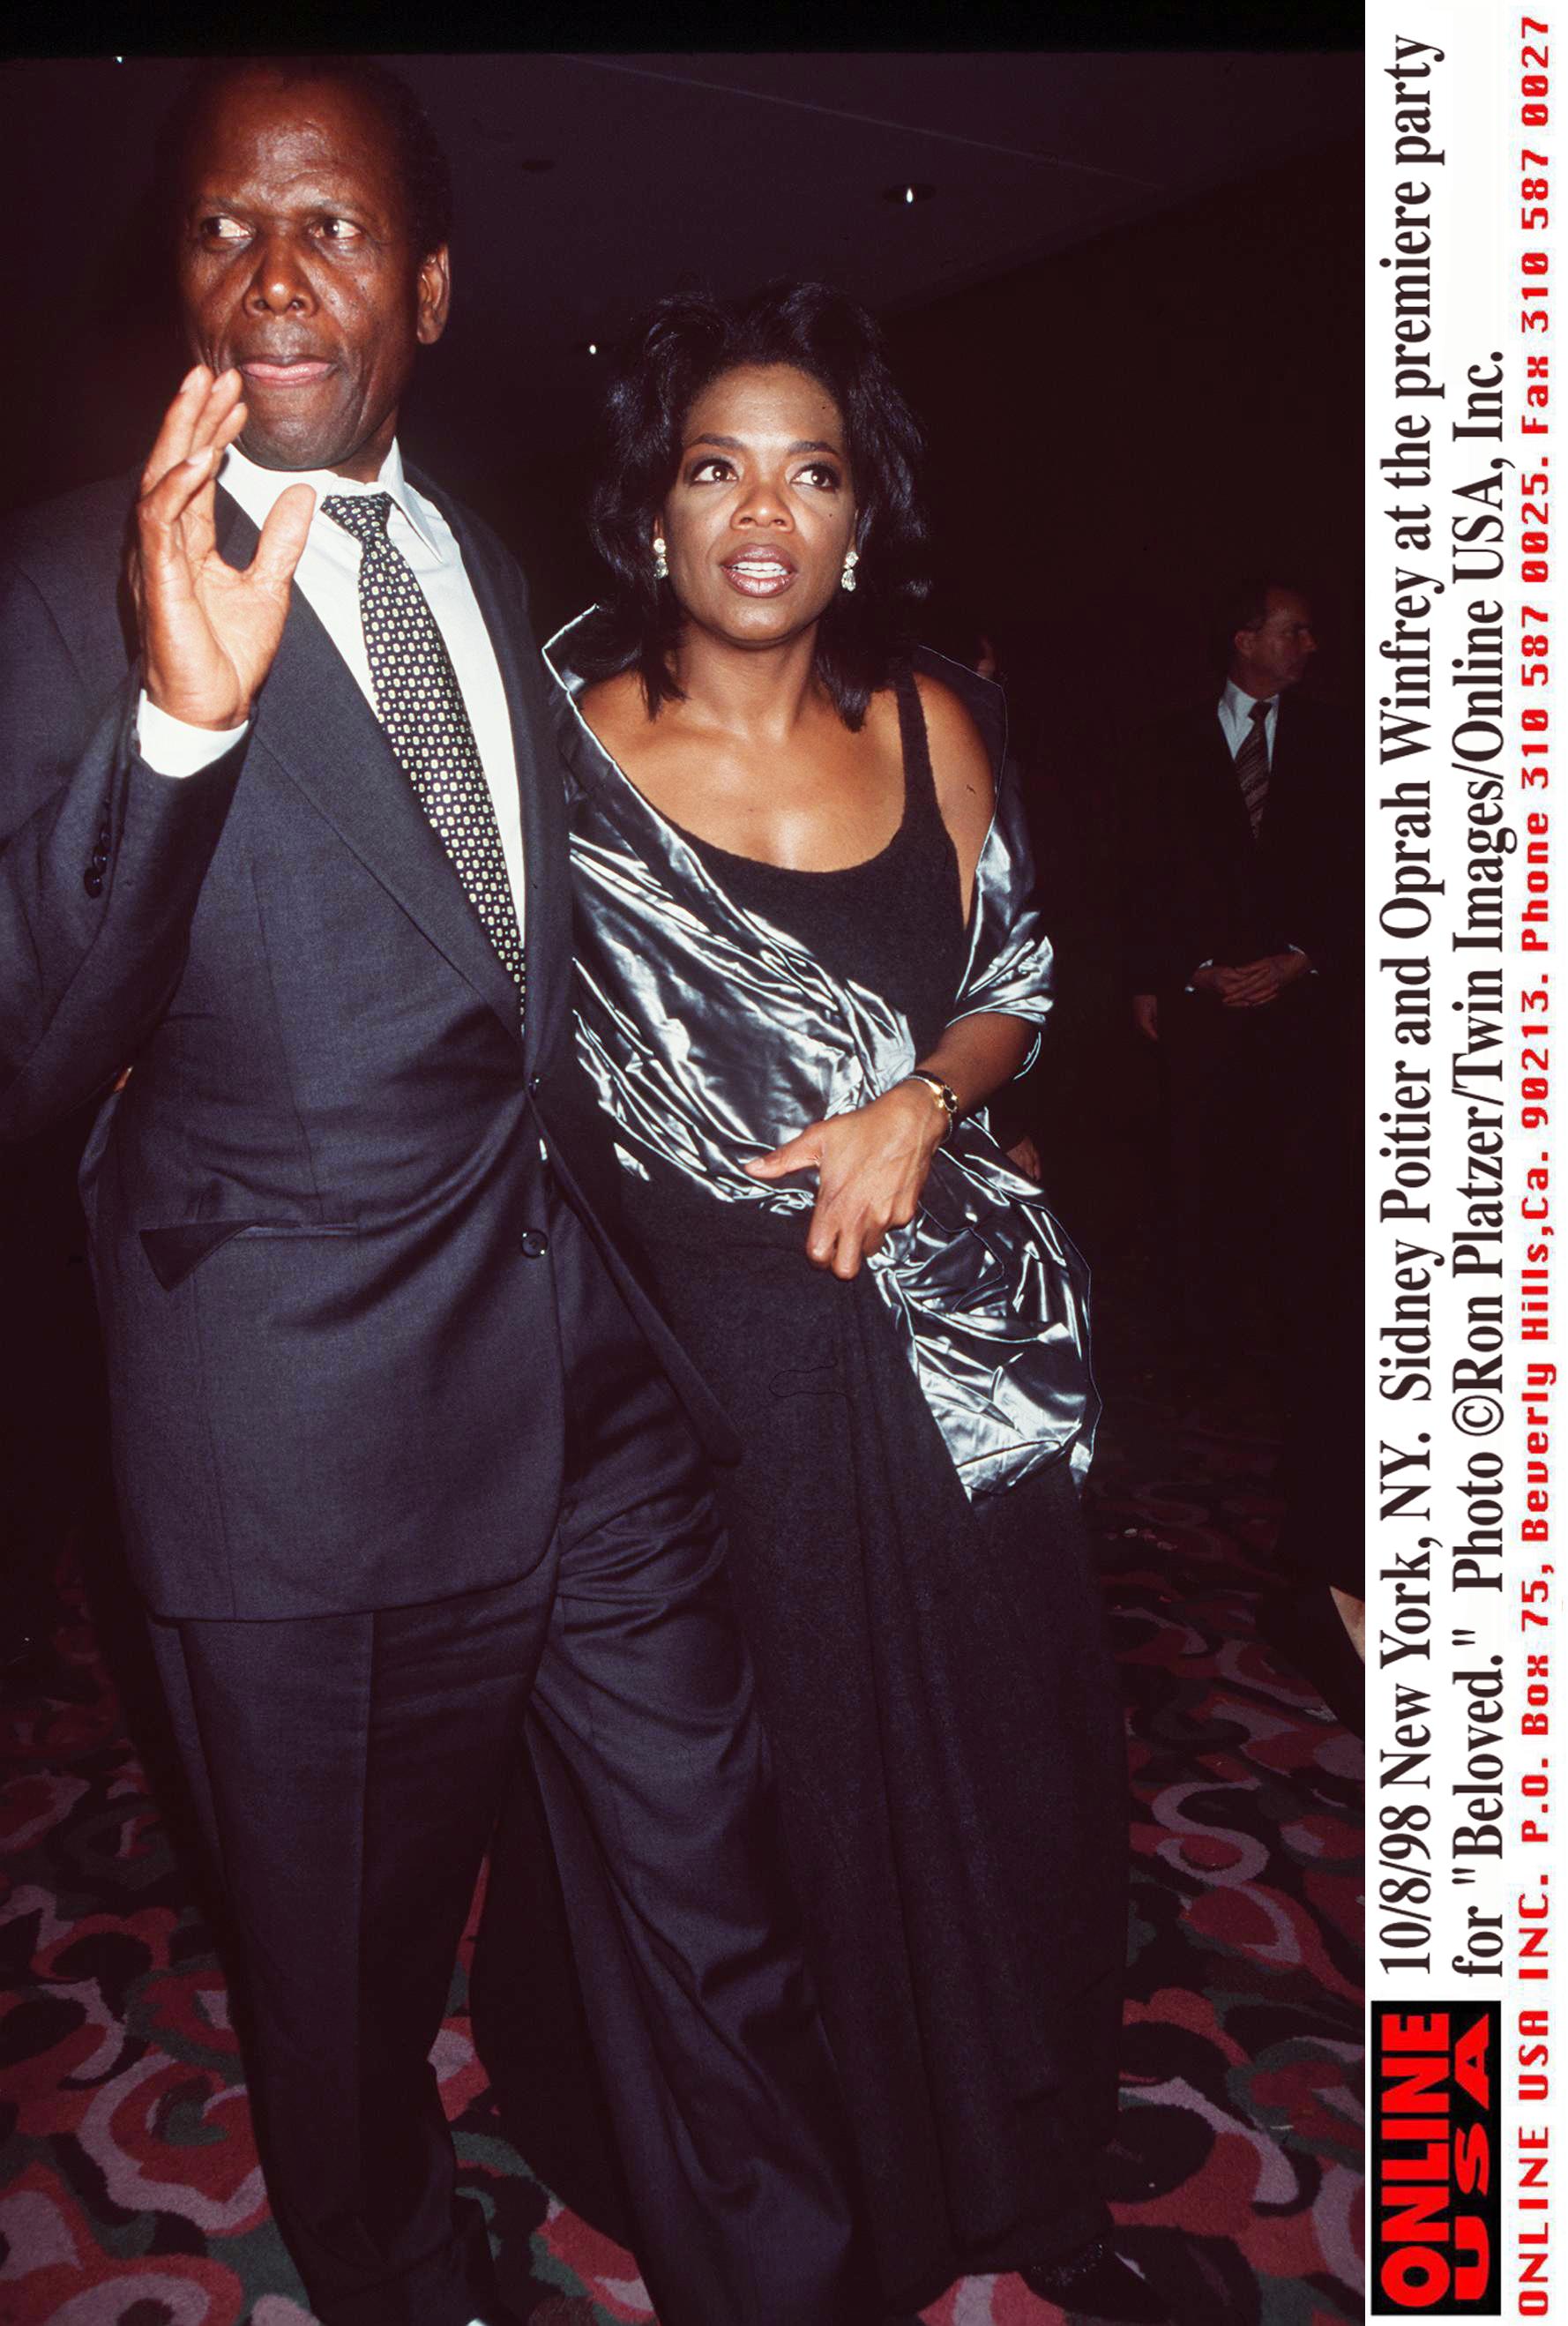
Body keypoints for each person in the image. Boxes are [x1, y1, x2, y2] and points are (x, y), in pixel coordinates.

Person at [0, 61, 875, 2326]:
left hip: (584, 1389)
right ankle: (399, 2271)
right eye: (224, 228)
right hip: (300, 1460)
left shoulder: (483, 560)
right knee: (353, 1994)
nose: (276, 276)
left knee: (718, 1880)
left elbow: (525, 979)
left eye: (337, 228)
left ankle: (777, 2276)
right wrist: (175, 738)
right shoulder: (68, 590)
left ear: (436, 282)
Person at [474, 284, 1158, 2323]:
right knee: (762, 1815)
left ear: (861, 522)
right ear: (655, 516)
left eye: (811, 469)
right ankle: (804, 2185)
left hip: (945, 1371)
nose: (763, 508)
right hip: (702, 1384)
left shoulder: (931, 717)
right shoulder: (564, 755)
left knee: (1002, 1775)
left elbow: (1015, 977)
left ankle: (1017, 2157)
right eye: (717, 465)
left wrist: (921, 1108)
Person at [1124, 580, 1363, 1712]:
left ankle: (1287, 1365)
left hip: (1309, 1012)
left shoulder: (1342, 743)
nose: (1308, 645)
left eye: (1311, 631)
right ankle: (1198, 1362)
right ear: (1241, 638)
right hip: (1203, 1005)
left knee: (1304, 1199)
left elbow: (1377, 875)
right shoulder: (1168, 739)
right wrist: (1166, 977)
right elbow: (1139, 864)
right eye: (1290, 628)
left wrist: (1305, 958)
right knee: (1196, 1186)